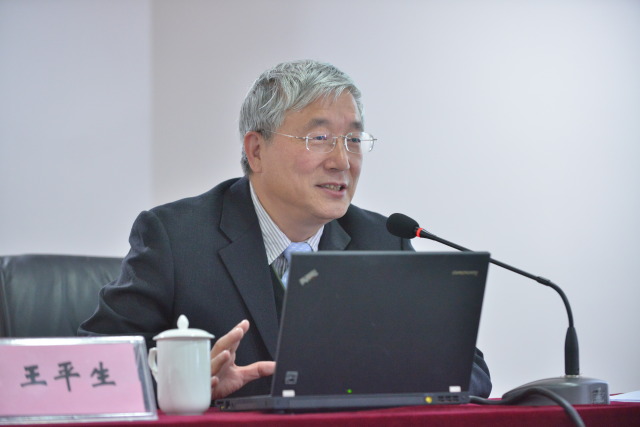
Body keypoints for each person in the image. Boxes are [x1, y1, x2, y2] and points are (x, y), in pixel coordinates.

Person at [79, 59, 492, 399]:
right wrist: (187, 383)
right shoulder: (176, 238)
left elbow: (469, 372)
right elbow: (93, 371)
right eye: (320, 138)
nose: (342, 161)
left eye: (353, 140)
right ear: (256, 150)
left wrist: (389, 374)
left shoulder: (382, 240)